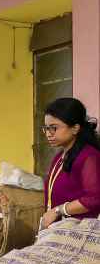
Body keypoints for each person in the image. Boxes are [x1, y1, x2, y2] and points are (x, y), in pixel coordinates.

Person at [39, 97, 100, 229]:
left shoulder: (89, 156)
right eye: (46, 128)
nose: (48, 134)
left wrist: (58, 210)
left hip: (79, 233)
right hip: (58, 230)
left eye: (54, 128)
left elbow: (94, 199)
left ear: (75, 128)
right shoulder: (59, 158)